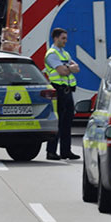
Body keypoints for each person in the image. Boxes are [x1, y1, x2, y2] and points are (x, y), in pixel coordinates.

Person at [44, 27, 80, 161]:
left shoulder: (64, 54)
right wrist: (69, 68)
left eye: (66, 38)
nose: (66, 40)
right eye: (63, 38)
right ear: (56, 38)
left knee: (67, 123)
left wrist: (68, 68)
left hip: (68, 90)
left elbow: (76, 68)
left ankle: (66, 151)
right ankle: (51, 151)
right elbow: (62, 71)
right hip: (58, 90)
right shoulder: (52, 54)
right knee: (57, 123)